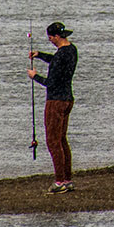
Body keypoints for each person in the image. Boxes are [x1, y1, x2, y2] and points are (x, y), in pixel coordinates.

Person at [30, 21, 79, 192]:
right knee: (62, 139)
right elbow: (56, 61)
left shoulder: (60, 56)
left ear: (57, 37)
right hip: (68, 99)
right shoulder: (71, 50)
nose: (50, 40)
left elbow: (50, 82)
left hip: (56, 101)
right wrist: (40, 55)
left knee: (53, 141)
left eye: (51, 37)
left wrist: (35, 76)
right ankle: (67, 179)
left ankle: (60, 181)